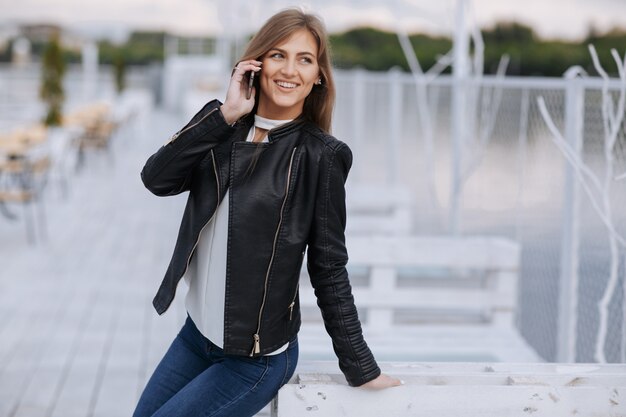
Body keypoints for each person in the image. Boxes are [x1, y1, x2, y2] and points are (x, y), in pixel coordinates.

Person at [133, 8, 401, 417]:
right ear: (255, 64)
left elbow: (329, 267)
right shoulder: (222, 126)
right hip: (196, 337)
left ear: (319, 77)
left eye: (305, 59)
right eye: (278, 55)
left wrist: (359, 365)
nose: (289, 70)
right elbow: (157, 179)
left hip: (254, 360)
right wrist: (224, 115)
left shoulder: (321, 157)